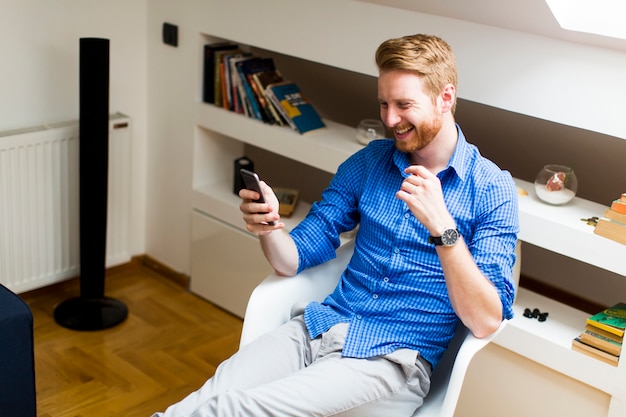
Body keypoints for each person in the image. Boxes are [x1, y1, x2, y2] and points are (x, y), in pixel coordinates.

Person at [153, 33, 519, 417]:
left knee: (237, 410)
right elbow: (292, 259)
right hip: (317, 329)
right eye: (384, 103)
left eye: (404, 105)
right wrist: (270, 226)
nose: (390, 119)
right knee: (213, 394)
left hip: (390, 360)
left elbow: (486, 319)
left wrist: (443, 228)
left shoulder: (492, 189)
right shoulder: (370, 163)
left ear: (446, 97)